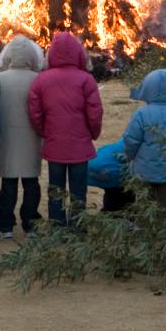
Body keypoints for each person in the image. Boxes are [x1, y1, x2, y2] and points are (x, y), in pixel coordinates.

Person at [27, 32, 102, 227]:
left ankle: (57, 224)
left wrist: (44, 131)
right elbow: (95, 113)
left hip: (55, 146)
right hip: (80, 146)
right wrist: (92, 134)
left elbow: (35, 112)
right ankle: (78, 225)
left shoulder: (41, 80)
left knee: (55, 189)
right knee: (78, 190)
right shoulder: (86, 80)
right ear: (79, 54)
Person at [0, 35, 44, 238]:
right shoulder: (37, 79)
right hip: (31, 137)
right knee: (31, 182)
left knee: (8, 183)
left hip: (7, 137)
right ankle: (30, 223)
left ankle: (5, 226)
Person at [122, 68, 166, 211]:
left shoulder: (141, 113)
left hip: (143, 171)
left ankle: (144, 229)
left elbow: (131, 139)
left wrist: (131, 157)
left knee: (144, 206)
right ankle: (164, 229)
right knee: (165, 206)